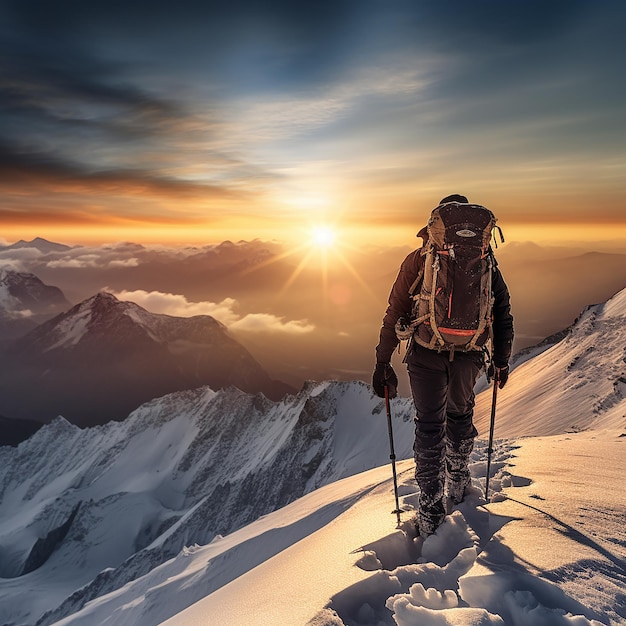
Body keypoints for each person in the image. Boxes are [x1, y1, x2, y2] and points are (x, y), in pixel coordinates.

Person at [372, 194, 514, 538]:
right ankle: (458, 477)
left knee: (430, 426)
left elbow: (395, 310)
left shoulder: (419, 259)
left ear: (435, 227)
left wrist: (382, 360)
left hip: (424, 353)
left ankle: (431, 505)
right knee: (460, 415)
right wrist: (501, 360)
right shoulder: (486, 261)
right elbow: (502, 312)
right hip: (470, 354)